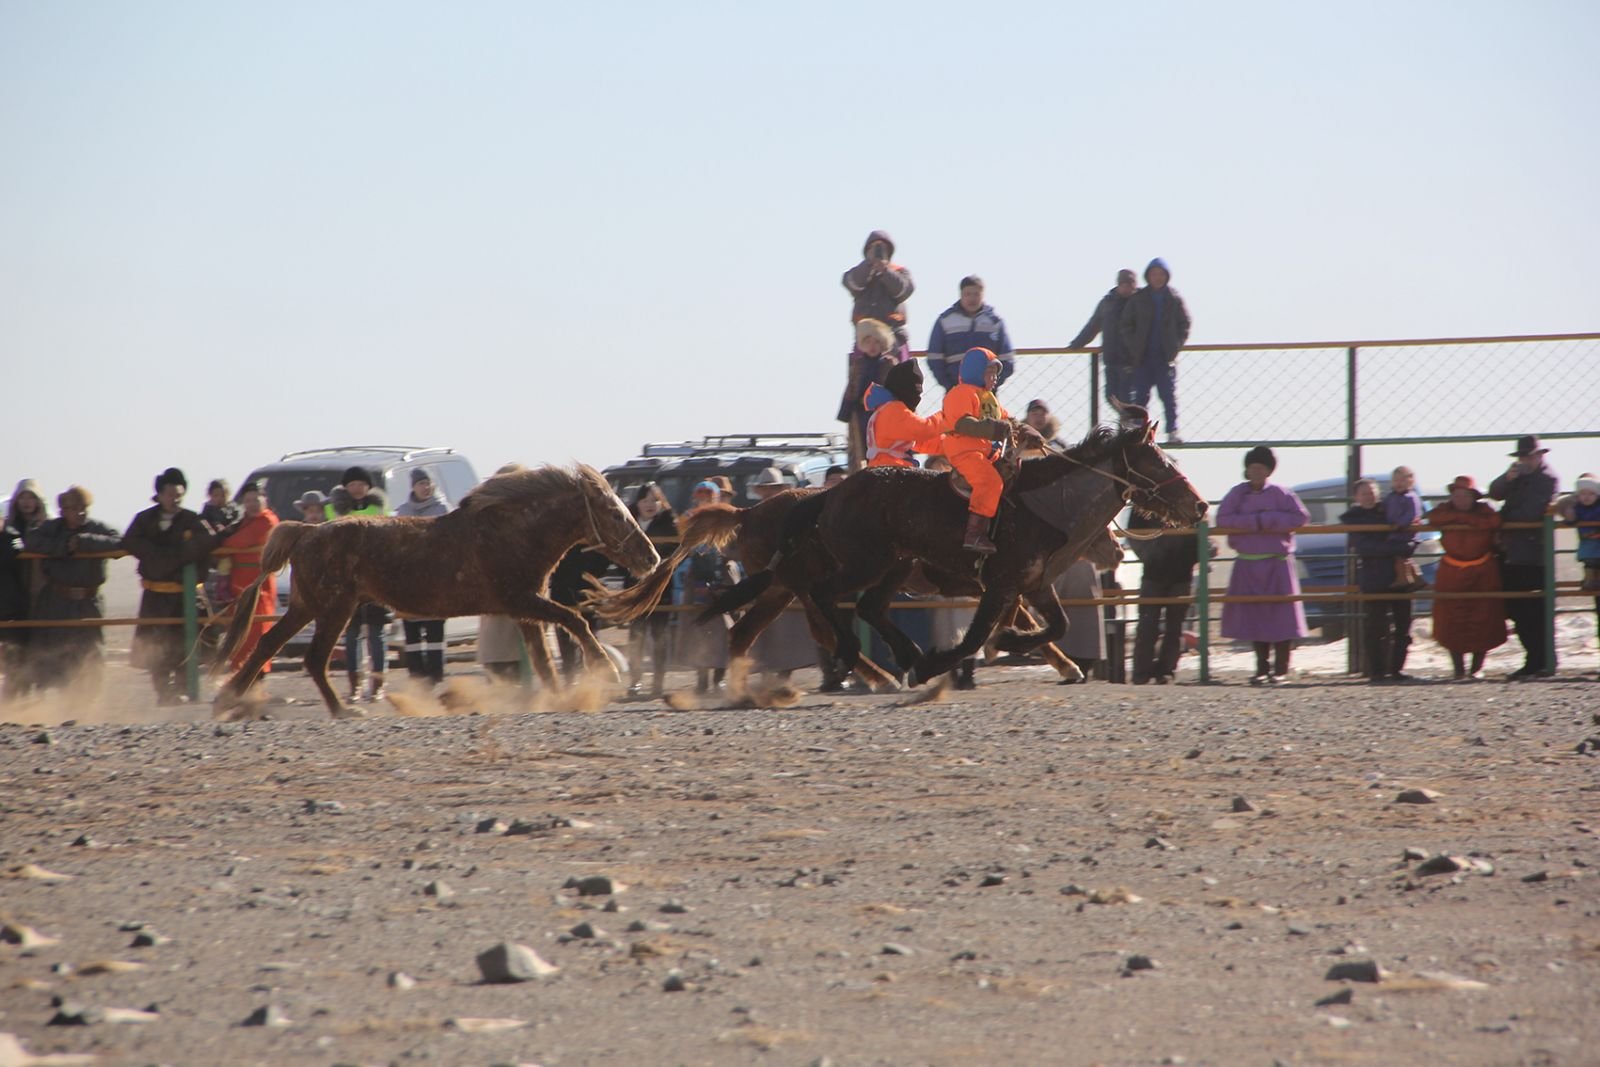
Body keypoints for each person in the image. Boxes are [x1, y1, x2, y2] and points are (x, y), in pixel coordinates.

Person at [123, 468, 224, 705]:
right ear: (159, 494)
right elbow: (129, 541)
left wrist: (175, 557)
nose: (174, 499)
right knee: (156, 649)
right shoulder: (144, 519)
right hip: (155, 595)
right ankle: (162, 693)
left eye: (179, 494)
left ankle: (181, 690)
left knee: (183, 645)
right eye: (170, 494)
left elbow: (208, 542)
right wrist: (157, 555)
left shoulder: (192, 519)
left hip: (182, 596)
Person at [1217, 446, 1310, 684]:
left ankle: (1281, 670)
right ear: (1246, 470)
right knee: (1255, 616)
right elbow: (1223, 519)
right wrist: (1255, 522)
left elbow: (1300, 517)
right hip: (1248, 564)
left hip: (1277, 564)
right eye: (1252, 468)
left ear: (1269, 471)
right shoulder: (1236, 494)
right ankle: (1261, 668)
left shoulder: (1282, 494)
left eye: (1261, 468)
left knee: (1281, 616)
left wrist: (1267, 519)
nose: (1256, 472)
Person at [23, 487, 121, 692]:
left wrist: (86, 542)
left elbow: (119, 542)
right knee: (54, 652)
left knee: (90, 650)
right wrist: (64, 547)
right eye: (74, 508)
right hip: (57, 601)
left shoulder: (96, 528)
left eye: (83, 508)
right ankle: (54, 704)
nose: (80, 513)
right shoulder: (52, 528)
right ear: (63, 510)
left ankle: (89, 701)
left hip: (88, 602)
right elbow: (31, 541)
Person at [1488, 435, 1559, 679]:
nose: (1526, 460)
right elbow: (1494, 492)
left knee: (1532, 608)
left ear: (1539, 456)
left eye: (1529, 456)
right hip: (1512, 551)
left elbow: (1531, 513)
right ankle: (1534, 658)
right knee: (1517, 608)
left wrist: (1503, 521)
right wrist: (1507, 478)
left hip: (1530, 553)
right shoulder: (1519, 477)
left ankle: (1540, 659)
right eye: (1523, 456)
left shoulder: (1546, 479)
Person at [1423, 476, 1506, 680]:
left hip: (1482, 571)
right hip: (1452, 571)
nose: (1460, 499)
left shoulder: (1484, 510)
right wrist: (1463, 520)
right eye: (1456, 494)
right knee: (1451, 619)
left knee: (1484, 617)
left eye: (1465, 495)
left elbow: (1494, 521)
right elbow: (1432, 517)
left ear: (1473, 497)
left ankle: (1477, 668)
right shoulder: (1443, 510)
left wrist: (1463, 520)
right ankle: (1458, 669)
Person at [938, 348, 1014, 555]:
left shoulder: (990, 398)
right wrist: (995, 429)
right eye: (990, 372)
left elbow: (1008, 420)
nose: (995, 378)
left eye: (996, 373)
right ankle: (974, 534)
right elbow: (963, 423)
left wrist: (1024, 430)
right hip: (965, 452)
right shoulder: (959, 394)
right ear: (976, 371)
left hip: (988, 452)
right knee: (990, 482)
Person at [326, 466, 391, 701]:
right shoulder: (331, 509)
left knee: (376, 633)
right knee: (351, 633)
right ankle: (354, 685)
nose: (357, 488)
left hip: (376, 578)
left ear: (368, 486)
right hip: (344, 579)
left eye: (361, 484)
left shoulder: (380, 507)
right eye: (352, 484)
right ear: (345, 487)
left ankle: (378, 684)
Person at [746, 468, 816, 680]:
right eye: (767, 488)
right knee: (766, 628)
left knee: (788, 628)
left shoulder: (790, 514)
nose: (770, 492)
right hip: (766, 577)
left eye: (774, 488)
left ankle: (784, 675)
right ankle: (766, 674)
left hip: (791, 575)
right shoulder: (753, 516)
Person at [1341, 478, 1410, 682]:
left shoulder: (1392, 511)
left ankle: (1396, 669)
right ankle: (1377, 671)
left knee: (1402, 625)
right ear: (1356, 497)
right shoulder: (1354, 518)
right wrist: (1398, 548)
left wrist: (1402, 546)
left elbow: (1412, 533)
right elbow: (1364, 547)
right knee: (1375, 627)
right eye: (1364, 493)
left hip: (1397, 573)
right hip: (1374, 575)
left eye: (1372, 492)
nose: (1369, 496)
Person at [672, 481, 739, 693]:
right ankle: (702, 681)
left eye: (709, 495)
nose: (704, 499)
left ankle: (718, 680)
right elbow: (683, 537)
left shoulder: (728, 517)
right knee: (698, 628)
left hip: (723, 573)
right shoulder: (689, 518)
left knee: (726, 627)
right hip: (697, 576)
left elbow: (733, 544)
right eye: (701, 495)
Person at [1119, 258, 1191, 445]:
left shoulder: (1174, 299)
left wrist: (1176, 345)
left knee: (1168, 396)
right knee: (1140, 397)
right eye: (1153, 274)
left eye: (1161, 274)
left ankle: (1172, 431)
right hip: (1142, 358)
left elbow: (1185, 323)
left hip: (1164, 358)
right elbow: (1126, 324)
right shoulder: (1139, 298)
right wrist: (1134, 345)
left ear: (1166, 277)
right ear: (1148, 277)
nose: (1157, 278)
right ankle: (1136, 433)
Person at [1128, 509, 1198, 684]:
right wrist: (1151, 557)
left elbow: (1199, 535)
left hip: (1178, 574)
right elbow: (1134, 535)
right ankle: (1142, 672)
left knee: (1173, 627)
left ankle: (1163, 671)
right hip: (1156, 573)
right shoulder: (1144, 504)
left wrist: (1189, 558)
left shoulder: (1189, 503)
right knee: (1147, 625)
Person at [393, 467, 450, 684]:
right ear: (413, 486)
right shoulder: (403, 511)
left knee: (435, 627)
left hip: (435, 575)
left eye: (428, 483)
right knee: (412, 627)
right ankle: (416, 675)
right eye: (421, 484)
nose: (425, 487)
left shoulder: (442, 508)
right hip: (410, 577)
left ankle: (436, 675)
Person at [217, 481, 280, 676]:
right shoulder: (243, 521)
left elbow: (236, 541)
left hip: (258, 582)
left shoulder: (266, 521)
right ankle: (240, 680)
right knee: (239, 633)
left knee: (256, 630)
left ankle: (255, 678)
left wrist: (219, 542)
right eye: (247, 500)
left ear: (265, 500)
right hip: (238, 581)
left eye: (255, 499)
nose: (251, 504)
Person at [475, 464, 529, 683]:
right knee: (500, 656)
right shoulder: (487, 516)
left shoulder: (529, 515)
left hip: (523, 597)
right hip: (498, 595)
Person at [626, 483, 676, 698]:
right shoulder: (627, 523)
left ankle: (658, 683)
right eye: (645, 500)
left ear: (661, 502)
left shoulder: (669, 524)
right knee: (636, 634)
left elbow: (674, 551)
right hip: (634, 585)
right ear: (637, 503)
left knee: (659, 635)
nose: (649, 505)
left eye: (654, 500)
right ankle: (635, 681)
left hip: (660, 586)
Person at [926, 276, 1016, 393]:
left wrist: (992, 383)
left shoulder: (995, 322)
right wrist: (948, 385)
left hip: (987, 393)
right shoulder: (946, 321)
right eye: (968, 294)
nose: (972, 299)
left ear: (983, 295)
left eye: (976, 294)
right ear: (961, 295)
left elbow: (1007, 358)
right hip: (955, 390)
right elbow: (935, 357)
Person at [1068, 268, 1139, 404]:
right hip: (1111, 358)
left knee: (1128, 398)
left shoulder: (1140, 303)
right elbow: (1093, 325)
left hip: (1131, 361)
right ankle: (1128, 422)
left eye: (1130, 285)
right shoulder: (1108, 303)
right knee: (1111, 397)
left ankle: (1131, 423)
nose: (1126, 288)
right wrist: (1077, 344)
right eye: (1123, 284)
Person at [838, 319, 901, 470]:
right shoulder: (859, 364)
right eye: (868, 342)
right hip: (861, 413)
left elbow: (897, 389)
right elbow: (851, 388)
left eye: (876, 342)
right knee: (861, 447)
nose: (872, 347)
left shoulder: (889, 363)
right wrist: (845, 411)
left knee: (882, 447)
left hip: (883, 414)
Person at [842, 230, 914, 355]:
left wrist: (885, 271)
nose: (878, 251)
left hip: (893, 337)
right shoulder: (858, 272)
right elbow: (853, 284)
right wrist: (869, 265)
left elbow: (903, 291)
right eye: (873, 247)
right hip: (865, 340)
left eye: (882, 248)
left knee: (898, 373)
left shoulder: (900, 272)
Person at [863, 361, 947, 468]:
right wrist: (947, 416)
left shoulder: (884, 410)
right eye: (916, 393)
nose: (917, 398)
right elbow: (924, 430)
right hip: (891, 470)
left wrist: (951, 445)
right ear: (904, 389)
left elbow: (919, 441)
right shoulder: (893, 411)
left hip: (881, 466)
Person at [1556, 473, 1600, 657]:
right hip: (1590, 551)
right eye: (1582, 493)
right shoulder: (1577, 507)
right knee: (1591, 572)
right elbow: (1567, 513)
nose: (1586, 497)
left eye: (1591, 493)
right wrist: (1571, 507)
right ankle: (1590, 581)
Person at [199, 479, 241, 614]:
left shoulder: (232, 507)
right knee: (223, 568)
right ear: (210, 495)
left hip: (232, 544)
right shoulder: (208, 511)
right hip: (216, 546)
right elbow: (204, 525)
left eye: (223, 495)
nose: (220, 498)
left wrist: (231, 527)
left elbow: (238, 519)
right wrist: (216, 529)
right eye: (216, 495)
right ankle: (221, 591)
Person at [1385, 466, 1426, 593]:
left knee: (1400, 557)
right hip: (1394, 533)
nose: (1399, 483)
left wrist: (1401, 524)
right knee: (1403, 557)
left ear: (1410, 482)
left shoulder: (1411, 497)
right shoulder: (1391, 497)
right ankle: (1417, 578)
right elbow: (1384, 508)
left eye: (1402, 480)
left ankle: (1403, 578)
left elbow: (1412, 514)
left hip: (1405, 534)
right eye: (1396, 480)